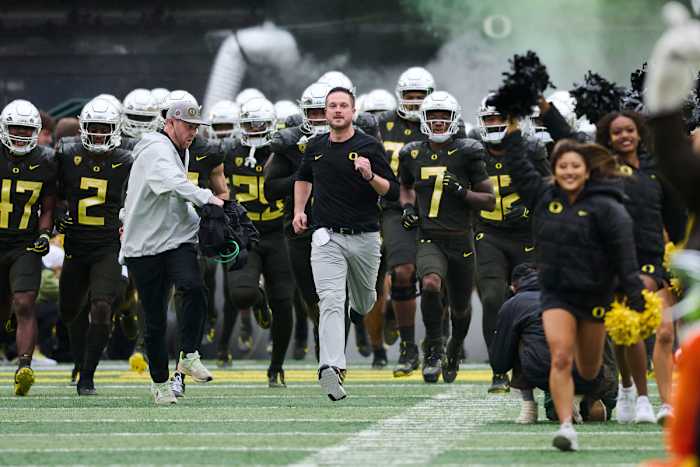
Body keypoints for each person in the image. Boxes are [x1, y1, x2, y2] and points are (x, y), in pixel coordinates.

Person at [502, 128, 645, 451]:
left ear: (587, 170)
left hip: (594, 295)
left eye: (575, 166)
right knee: (561, 356)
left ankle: (584, 396)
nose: (569, 171)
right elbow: (519, 169)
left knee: (590, 368)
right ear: (554, 169)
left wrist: (635, 294)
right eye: (563, 166)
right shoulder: (543, 196)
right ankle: (566, 426)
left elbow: (624, 253)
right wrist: (511, 132)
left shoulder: (607, 205)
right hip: (556, 293)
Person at [293, 87, 398, 401]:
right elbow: (303, 177)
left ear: (353, 111)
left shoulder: (369, 145)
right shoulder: (314, 146)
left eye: (343, 106)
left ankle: (360, 310)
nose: (337, 111)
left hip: (365, 236)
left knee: (365, 301)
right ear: (325, 113)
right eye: (332, 106)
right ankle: (331, 367)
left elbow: (391, 191)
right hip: (327, 237)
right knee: (330, 300)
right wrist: (299, 210)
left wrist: (369, 176)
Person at [120, 99, 224, 405]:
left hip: (175, 239)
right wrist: (209, 199)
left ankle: (189, 354)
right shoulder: (155, 148)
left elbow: (174, 202)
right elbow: (170, 183)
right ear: (170, 123)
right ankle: (160, 383)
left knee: (194, 287)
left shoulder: (182, 149)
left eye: (195, 127)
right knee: (154, 320)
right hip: (144, 245)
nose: (192, 132)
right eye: (187, 126)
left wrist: (201, 221)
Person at [596, 110, 685, 425]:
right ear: (609, 136)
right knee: (626, 331)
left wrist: (683, 252)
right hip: (618, 260)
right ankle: (627, 388)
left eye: (629, 130)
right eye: (617, 132)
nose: (624, 136)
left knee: (663, 332)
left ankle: (666, 404)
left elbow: (675, 216)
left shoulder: (656, 168)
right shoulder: (603, 169)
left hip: (655, 258)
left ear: (639, 133)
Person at [398, 91, 494, 383]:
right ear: (424, 119)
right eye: (433, 116)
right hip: (430, 237)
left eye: (444, 116)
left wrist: (462, 192)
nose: (438, 122)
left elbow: (489, 200)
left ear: (453, 119)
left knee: (461, 307)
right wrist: (406, 207)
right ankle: (434, 348)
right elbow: (405, 186)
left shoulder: (469, 151)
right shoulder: (412, 152)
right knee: (429, 284)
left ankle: (453, 349)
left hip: (461, 237)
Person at [472, 94, 550, 393]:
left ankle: (529, 361)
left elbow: (549, 189)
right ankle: (498, 370)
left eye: (499, 118)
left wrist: (531, 208)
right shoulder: (473, 150)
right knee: (492, 297)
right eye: (489, 118)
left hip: (524, 235)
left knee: (529, 301)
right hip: (489, 232)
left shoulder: (530, 149)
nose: (494, 124)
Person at [55, 97, 133, 396]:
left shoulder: (127, 160)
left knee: (101, 306)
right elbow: (55, 193)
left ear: (115, 129)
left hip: (108, 246)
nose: (99, 134)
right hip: (76, 244)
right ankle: (79, 363)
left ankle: (87, 374)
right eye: (93, 128)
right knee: (70, 310)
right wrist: (60, 213)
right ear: (82, 128)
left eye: (105, 128)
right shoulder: (68, 154)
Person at [490, 263, 617, 424]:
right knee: (591, 337)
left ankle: (529, 404)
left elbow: (501, 353)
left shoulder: (514, 303)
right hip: (591, 374)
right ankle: (587, 398)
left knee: (522, 338)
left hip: (542, 372)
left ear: (514, 286)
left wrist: (499, 371)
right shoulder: (574, 297)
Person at [224, 97, 294, 388]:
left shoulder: (285, 152)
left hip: (279, 233)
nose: (254, 129)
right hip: (244, 232)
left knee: (285, 302)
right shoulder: (230, 152)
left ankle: (276, 365)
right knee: (241, 295)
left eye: (260, 124)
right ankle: (258, 298)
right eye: (249, 124)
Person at [376, 66, 435, 377]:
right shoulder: (383, 125)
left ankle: (438, 345)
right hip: (395, 208)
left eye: (420, 96)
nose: (414, 102)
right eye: (409, 97)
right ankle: (409, 347)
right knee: (402, 272)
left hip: (437, 209)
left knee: (437, 281)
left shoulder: (440, 122)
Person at [0, 99, 57, 396]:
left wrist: (45, 233)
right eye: (15, 129)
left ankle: (25, 367)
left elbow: (47, 207)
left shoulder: (46, 161)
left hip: (23, 242)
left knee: (24, 302)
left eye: (26, 129)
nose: (21, 134)